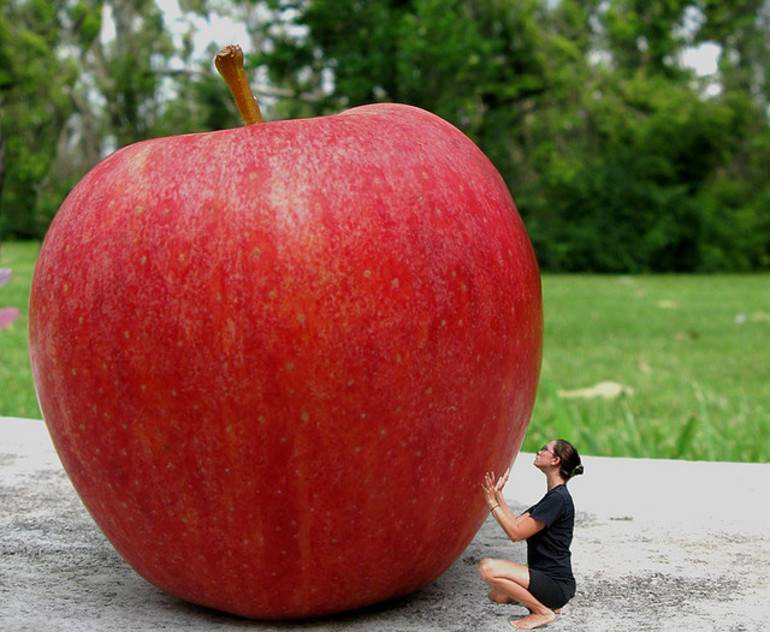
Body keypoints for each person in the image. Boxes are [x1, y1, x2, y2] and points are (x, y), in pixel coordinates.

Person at [478, 439, 584, 630]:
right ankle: (551, 604)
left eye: (544, 449)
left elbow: (515, 533)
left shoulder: (558, 500)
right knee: (498, 595)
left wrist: (491, 504)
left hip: (556, 583)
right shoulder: (552, 498)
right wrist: (498, 495)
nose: (539, 451)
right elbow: (517, 523)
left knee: (488, 569)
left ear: (555, 461)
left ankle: (542, 612)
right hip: (545, 578)